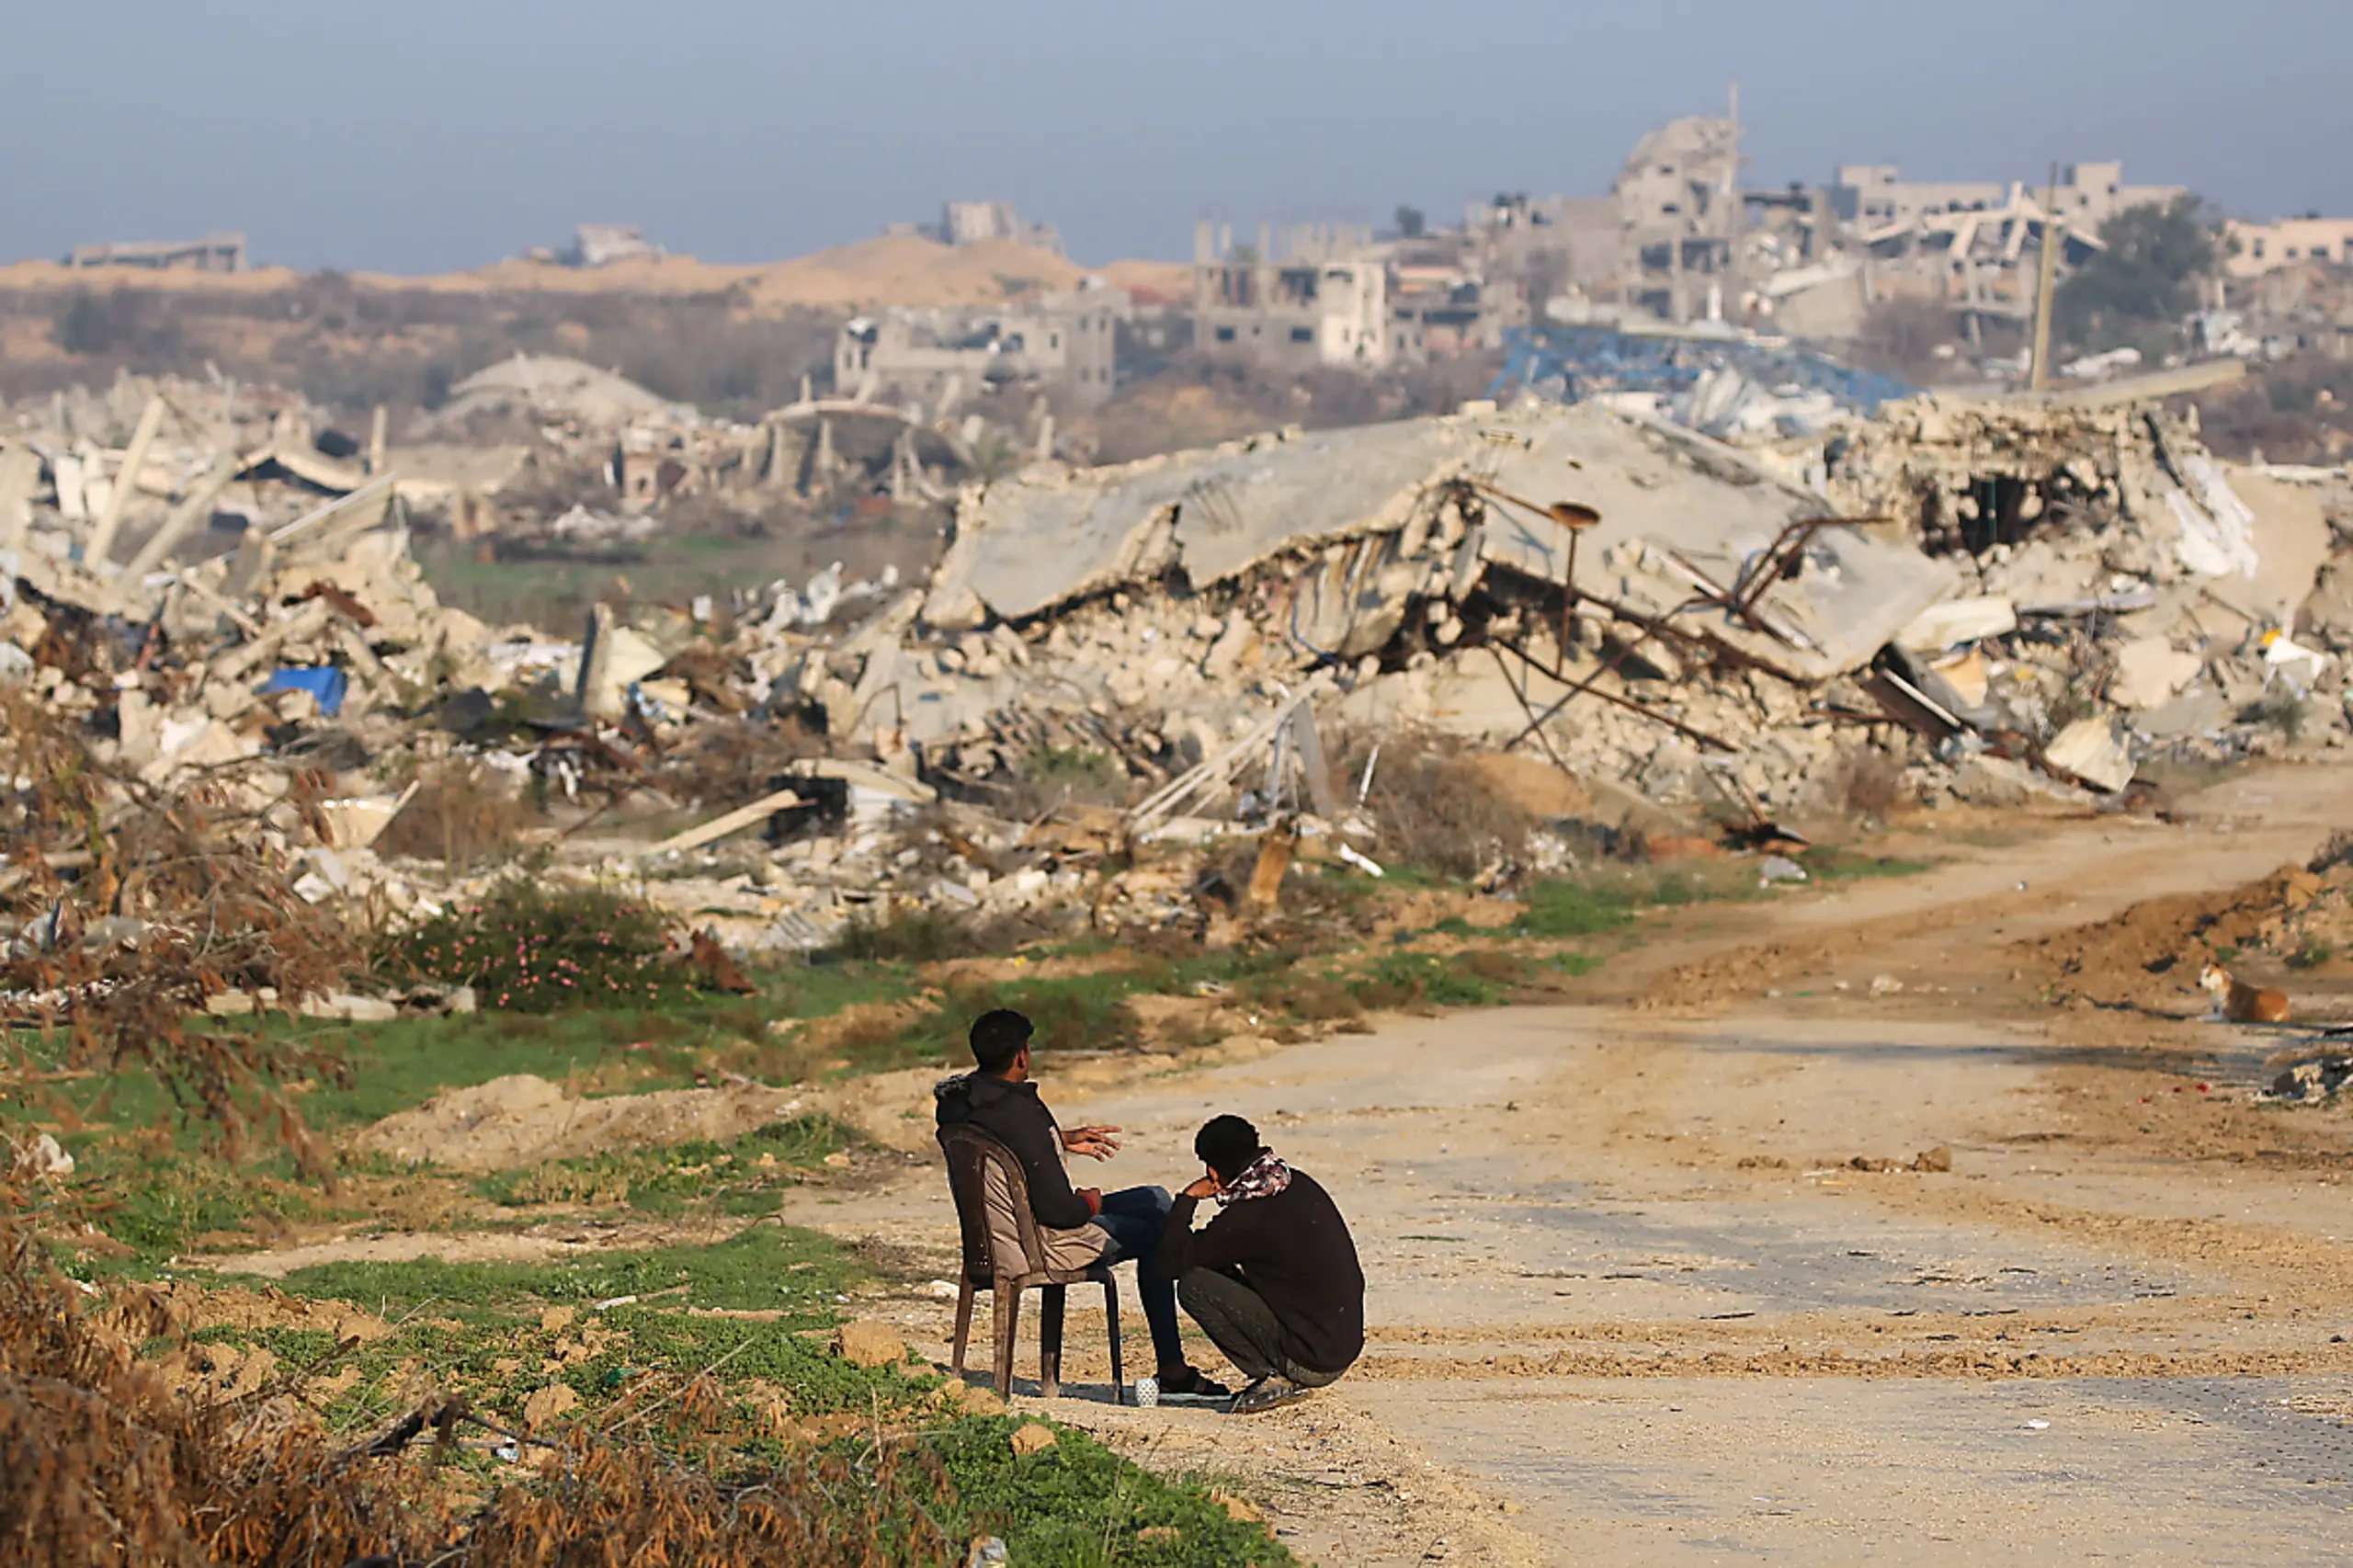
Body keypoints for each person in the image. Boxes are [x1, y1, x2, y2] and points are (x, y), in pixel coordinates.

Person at [934, 1007, 1228, 1401]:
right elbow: (1063, 1213)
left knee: (1156, 1198)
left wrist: (1058, 1140)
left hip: (995, 1238)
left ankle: (1173, 1367)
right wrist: (1089, 1200)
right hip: (1042, 1245)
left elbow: (1005, 1145)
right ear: (1022, 1056)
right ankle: (1172, 1368)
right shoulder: (1020, 1112)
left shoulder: (962, 1102)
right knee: (1161, 1227)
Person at [1158, 1113, 1364, 1415]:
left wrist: (1187, 1199)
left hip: (1312, 1362)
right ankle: (1283, 1369)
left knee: (1194, 1284)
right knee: (1218, 1267)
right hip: (1340, 1345)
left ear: (1213, 1171)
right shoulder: (1293, 1182)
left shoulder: (1246, 1217)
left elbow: (1170, 1264)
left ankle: (1274, 1377)